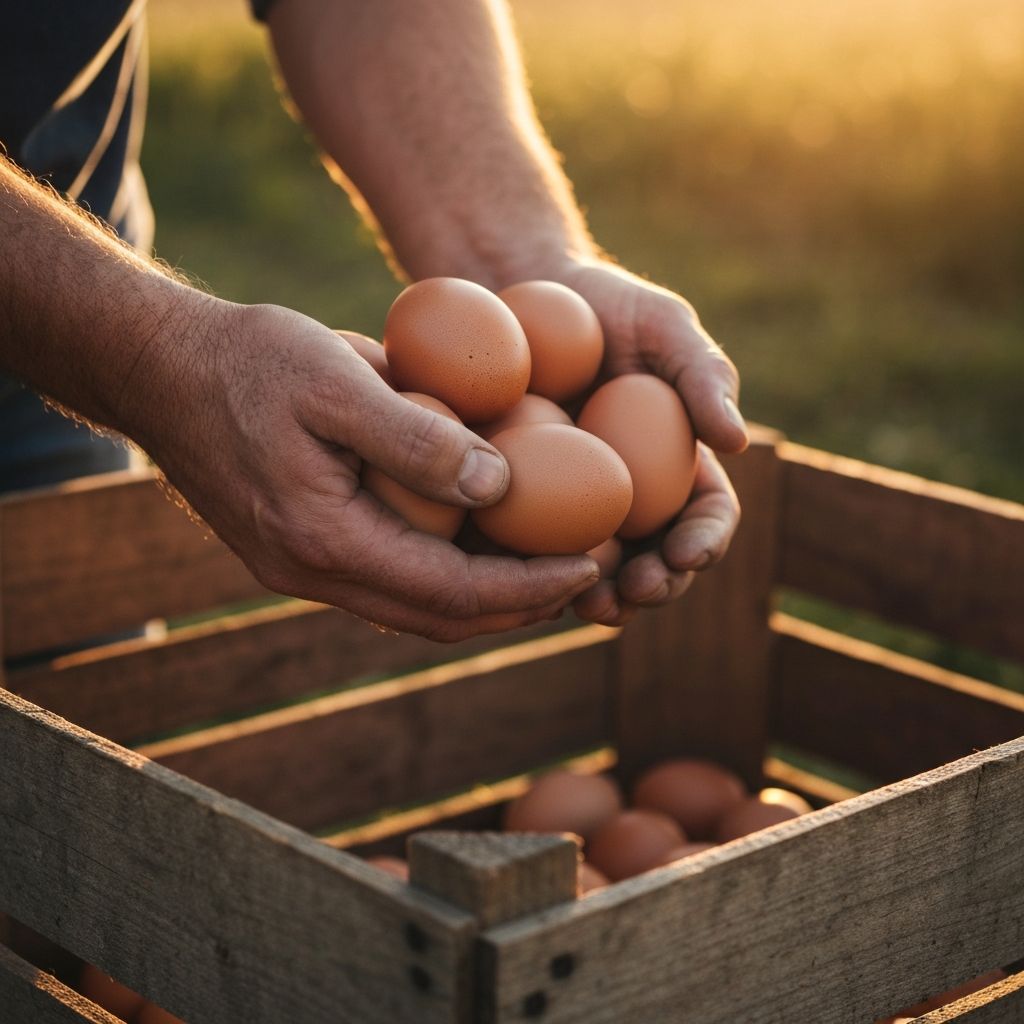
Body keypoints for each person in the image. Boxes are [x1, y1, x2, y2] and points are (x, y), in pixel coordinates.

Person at [0, 0, 746, 642]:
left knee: (64, 752)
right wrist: (150, 357)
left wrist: (520, 260)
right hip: (80, 320)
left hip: (64, 331)